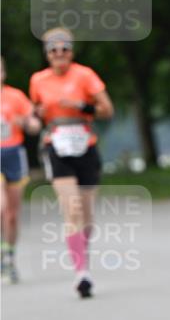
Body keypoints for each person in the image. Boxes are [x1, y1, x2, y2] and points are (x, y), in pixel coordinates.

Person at [29, 28, 114, 297]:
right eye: (53, 50)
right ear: (47, 55)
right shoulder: (38, 80)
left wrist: (82, 105)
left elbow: (107, 110)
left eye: (64, 49)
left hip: (85, 144)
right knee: (72, 210)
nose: (59, 54)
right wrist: (37, 114)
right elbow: (35, 113)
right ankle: (81, 273)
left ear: (71, 52)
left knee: (87, 217)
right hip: (56, 145)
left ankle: (83, 257)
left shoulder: (85, 75)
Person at [1, 57, 42, 283]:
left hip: (14, 155)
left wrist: (26, 123)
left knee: (12, 215)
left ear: (4, 73)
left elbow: (34, 124)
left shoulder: (15, 96)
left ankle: (9, 256)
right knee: (1, 206)